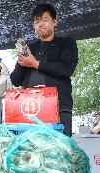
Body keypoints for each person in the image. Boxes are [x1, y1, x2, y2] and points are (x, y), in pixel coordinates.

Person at [10, 3, 79, 137]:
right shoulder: (30, 48)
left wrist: (35, 63)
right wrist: (22, 62)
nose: (41, 24)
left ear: (55, 22)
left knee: (60, 150)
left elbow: (66, 70)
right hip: (29, 108)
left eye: (45, 19)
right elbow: (15, 79)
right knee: (30, 151)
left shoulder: (66, 43)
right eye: (37, 22)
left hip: (58, 106)